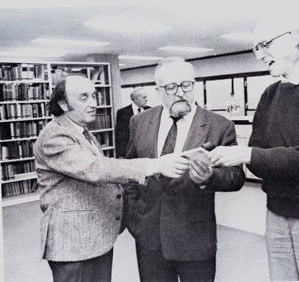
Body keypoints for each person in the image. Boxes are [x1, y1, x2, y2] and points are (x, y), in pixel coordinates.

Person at [209, 20, 299, 280]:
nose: (259, 55)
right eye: (256, 48)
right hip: (276, 213)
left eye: (265, 45)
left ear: (294, 38)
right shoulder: (270, 94)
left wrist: (253, 153)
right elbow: (259, 162)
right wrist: (296, 148)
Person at [33, 74, 190, 282]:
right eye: (83, 98)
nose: (93, 103)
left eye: (94, 96)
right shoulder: (54, 135)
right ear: (62, 104)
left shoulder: (81, 131)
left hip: (94, 238)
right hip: (74, 244)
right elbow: (95, 169)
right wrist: (153, 165)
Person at [124, 57, 245, 282]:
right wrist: (135, 218)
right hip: (149, 237)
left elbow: (236, 176)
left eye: (186, 85)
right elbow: (132, 169)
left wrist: (210, 176)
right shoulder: (139, 121)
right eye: (171, 87)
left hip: (195, 240)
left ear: (194, 85)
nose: (180, 92)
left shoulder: (219, 125)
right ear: (159, 90)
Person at [115, 86, 151, 157]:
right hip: (130, 151)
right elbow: (120, 136)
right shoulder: (122, 112)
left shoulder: (150, 110)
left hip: (146, 150)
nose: (147, 100)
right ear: (135, 99)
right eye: (144, 97)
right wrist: (120, 155)